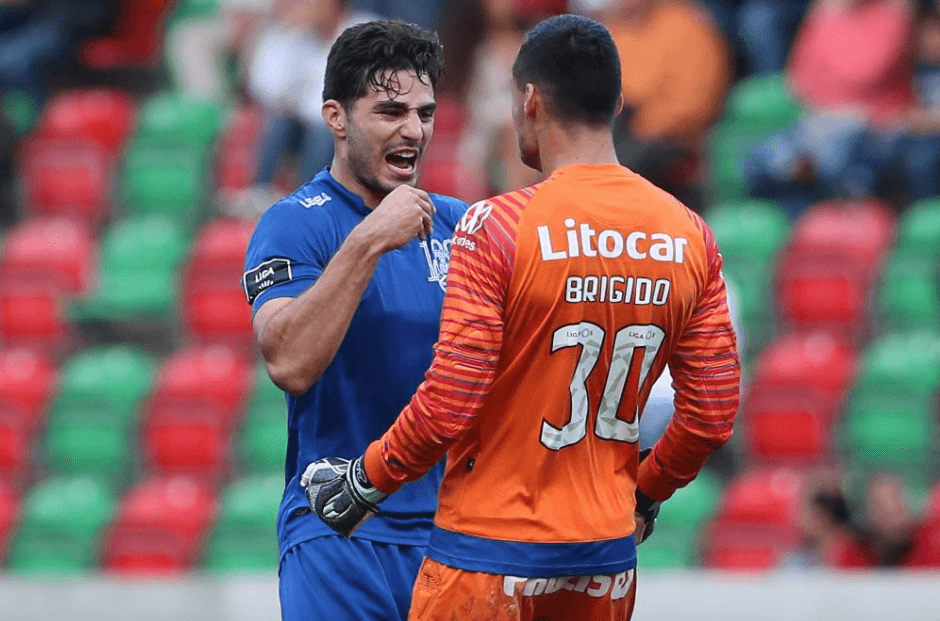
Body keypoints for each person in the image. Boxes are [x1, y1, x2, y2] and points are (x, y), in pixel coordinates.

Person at [303, 14, 741, 620]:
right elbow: (712, 415)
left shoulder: (498, 226)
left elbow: (452, 396)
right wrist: (646, 489)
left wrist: (364, 482)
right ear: (616, 101)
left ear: (530, 99)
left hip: (487, 554)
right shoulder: (689, 234)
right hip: (605, 559)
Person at [241, 20, 468, 621]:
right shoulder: (295, 223)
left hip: (458, 538)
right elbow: (287, 362)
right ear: (336, 118)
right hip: (339, 530)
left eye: (425, 113)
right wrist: (367, 242)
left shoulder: (463, 225)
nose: (412, 130)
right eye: (390, 111)